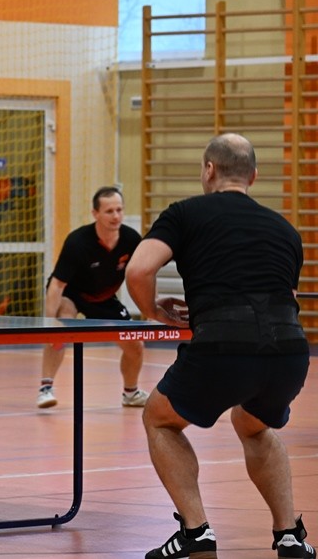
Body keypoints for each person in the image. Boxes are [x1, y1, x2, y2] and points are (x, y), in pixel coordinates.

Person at [126, 133, 313, 559]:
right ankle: (289, 535)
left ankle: (196, 532)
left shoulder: (185, 214)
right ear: (254, 176)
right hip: (289, 351)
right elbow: (289, 297)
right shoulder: (285, 229)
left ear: (209, 169)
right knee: (253, 425)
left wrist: (152, 310)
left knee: (160, 419)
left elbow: (138, 270)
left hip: (223, 346)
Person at [37, 186, 149, 409]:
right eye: (109, 211)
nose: (116, 216)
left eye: (119, 210)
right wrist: (49, 323)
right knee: (60, 331)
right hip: (71, 294)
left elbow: (140, 276)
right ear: (95, 213)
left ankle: (130, 393)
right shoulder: (78, 242)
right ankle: (45, 389)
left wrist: (150, 309)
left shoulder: (131, 239)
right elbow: (57, 285)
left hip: (103, 298)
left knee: (135, 346)